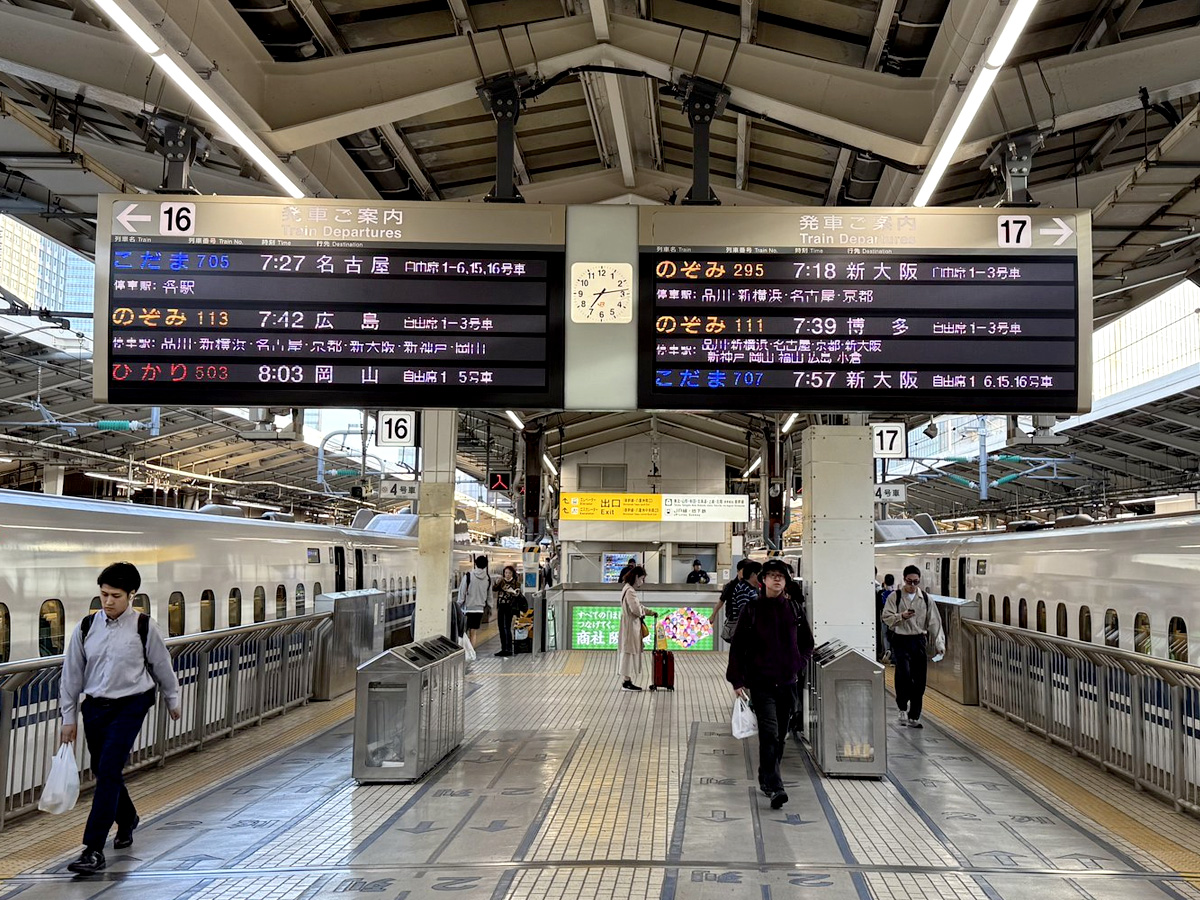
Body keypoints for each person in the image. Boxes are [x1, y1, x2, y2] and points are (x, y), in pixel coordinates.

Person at [59, 562, 181, 875]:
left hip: (131, 705)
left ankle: (92, 849)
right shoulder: (86, 627)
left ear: (131, 595)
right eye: (103, 594)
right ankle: (127, 818)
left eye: (115, 595)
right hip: (95, 707)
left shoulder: (143, 626)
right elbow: (71, 675)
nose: (108, 601)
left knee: (110, 767)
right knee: (103, 771)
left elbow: (161, 665)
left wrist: (172, 698)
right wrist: (68, 717)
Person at [726, 559, 813, 810]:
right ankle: (776, 786)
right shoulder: (752, 609)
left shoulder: (794, 609)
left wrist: (799, 662)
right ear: (763, 580)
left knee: (781, 735)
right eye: (772, 575)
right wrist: (737, 679)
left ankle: (766, 776)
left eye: (781, 577)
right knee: (769, 734)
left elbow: (807, 642)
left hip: (788, 682)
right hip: (761, 683)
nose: (776, 579)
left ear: (786, 582)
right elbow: (738, 646)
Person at [881, 565, 945, 729]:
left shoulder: (925, 598)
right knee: (904, 674)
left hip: (918, 641)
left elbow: (935, 623)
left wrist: (940, 644)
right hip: (900, 640)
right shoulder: (895, 597)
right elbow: (886, 617)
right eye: (909, 581)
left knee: (920, 679)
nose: (912, 585)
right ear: (904, 579)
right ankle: (902, 707)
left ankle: (914, 715)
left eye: (916, 582)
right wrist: (901, 616)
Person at [617, 565, 650, 692]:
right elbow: (635, 609)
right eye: (642, 579)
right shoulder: (630, 590)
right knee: (628, 652)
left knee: (627, 651)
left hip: (628, 624)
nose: (642, 582)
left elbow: (637, 606)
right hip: (631, 625)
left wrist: (648, 611)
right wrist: (643, 612)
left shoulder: (626, 588)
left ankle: (627, 679)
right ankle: (626, 681)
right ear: (636, 577)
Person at [458, 555, 491, 648]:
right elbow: (489, 594)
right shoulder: (487, 578)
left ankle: (464, 651)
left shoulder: (468, 576)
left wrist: (458, 605)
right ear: (485, 566)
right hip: (479, 610)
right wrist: (490, 606)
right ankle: (471, 651)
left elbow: (462, 592)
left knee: (463, 632)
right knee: (474, 632)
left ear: (475, 563)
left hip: (467, 609)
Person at [492, 564, 523, 657]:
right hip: (501, 606)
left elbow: (518, 595)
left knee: (507, 627)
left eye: (509, 573)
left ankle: (509, 649)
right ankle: (503, 648)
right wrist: (496, 583)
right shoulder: (501, 582)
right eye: (506, 573)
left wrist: (513, 592)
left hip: (509, 607)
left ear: (512, 573)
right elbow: (494, 589)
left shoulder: (516, 583)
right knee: (501, 627)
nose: (507, 575)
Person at [713, 559, 748, 626]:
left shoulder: (750, 585)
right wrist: (713, 615)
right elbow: (721, 601)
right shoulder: (731, 585)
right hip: (732, 621)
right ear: (738, 571)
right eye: (744, 571)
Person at [877, 573, 896, 663]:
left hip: (884, 618)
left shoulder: (881, 593)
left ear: (884, 582)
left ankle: (886, 652)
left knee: (885, 635)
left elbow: (879, 606)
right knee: (893, 635)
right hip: (894, 618)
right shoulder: (895, 593)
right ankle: (893, 655)